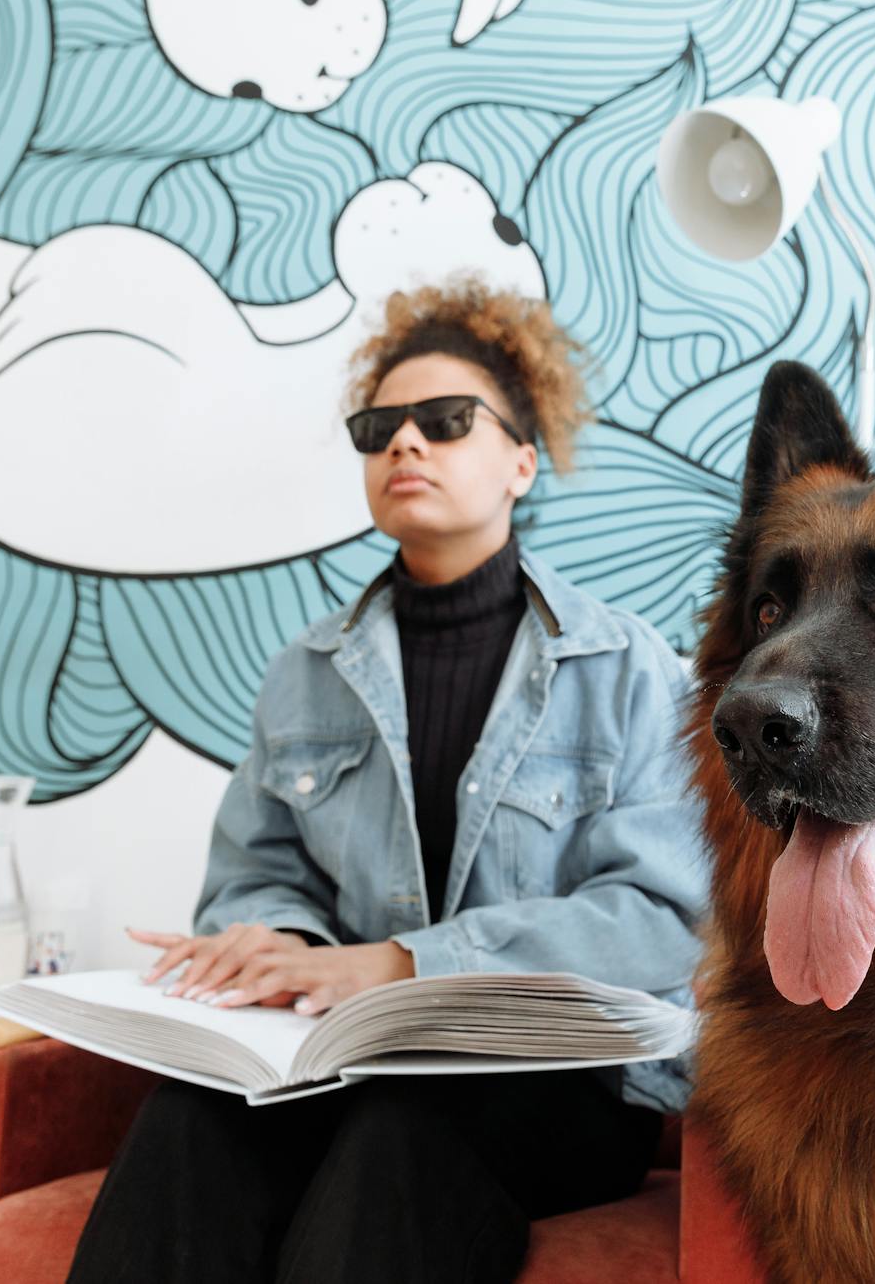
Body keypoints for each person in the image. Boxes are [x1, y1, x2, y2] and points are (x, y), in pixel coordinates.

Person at [65, 278, 707, 1284]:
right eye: (379, 427)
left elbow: (659, 917)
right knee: (192, 1117)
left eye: (447, 422)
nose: (405, 444)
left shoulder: (629, 669)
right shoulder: (306, 673)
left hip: (559, 1085)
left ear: (521, 463)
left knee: (405, 1123)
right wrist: (284, 943)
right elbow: (255, 872)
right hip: (347, 1059)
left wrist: (409, 964)